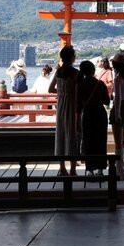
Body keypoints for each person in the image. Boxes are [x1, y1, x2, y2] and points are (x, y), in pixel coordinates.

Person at [49, 45, 80, 176]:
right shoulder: (76, 73)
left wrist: (61, 92)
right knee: (73, 134)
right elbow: (79, 91)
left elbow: (50, 89)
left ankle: (62, 168)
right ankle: (73, 169)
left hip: (61, 105)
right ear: (72, 58)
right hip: (72, 106)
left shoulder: (58, 72)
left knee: (61, 133)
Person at [77, 60, 110, 176]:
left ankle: (90, 169)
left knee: (88, 141)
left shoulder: (80, 85)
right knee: (100, 141)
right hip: (100, 113)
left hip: (87, 114)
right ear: (93, 70)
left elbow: (78, 104)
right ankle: (100, 170)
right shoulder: (100, 84)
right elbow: (107, 101)